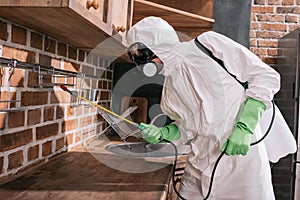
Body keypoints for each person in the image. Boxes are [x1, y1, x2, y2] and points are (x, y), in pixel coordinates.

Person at [126, 16, 280, 199]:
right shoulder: (169, 91)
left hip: (242, 167)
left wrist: (245, 127)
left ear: (157, 43)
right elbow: (186, 129)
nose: (142, 64)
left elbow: (266, 76)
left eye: (142, 55)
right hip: (198, 169)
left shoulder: (208, 44)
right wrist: (163, 133)